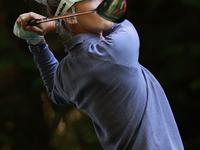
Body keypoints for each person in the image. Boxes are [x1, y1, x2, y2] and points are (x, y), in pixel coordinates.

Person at [13, 0, 184, 149]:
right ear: (70, 16)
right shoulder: (118, 49)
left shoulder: (68, 70)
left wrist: (37, 42)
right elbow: (117, 19)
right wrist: (54, 26)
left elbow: (53, 90)